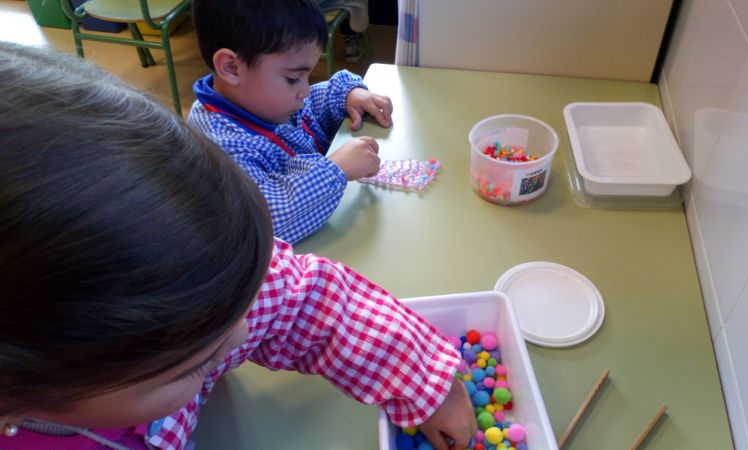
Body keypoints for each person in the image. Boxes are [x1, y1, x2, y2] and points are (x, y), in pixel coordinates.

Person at [0, 42, 476, 450]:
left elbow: (298, 296)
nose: (242, 334)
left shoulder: (186, 279)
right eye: (190, 367)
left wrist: (423, 382)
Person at [188, 0, 393, 244]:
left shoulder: (260, 101)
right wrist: (335, 170)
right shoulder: (219, 148)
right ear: (231, 67)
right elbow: (265, 223)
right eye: (294, 78)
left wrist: (346, 94)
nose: (304, 90)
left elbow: (309, 111)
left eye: (307, 76)